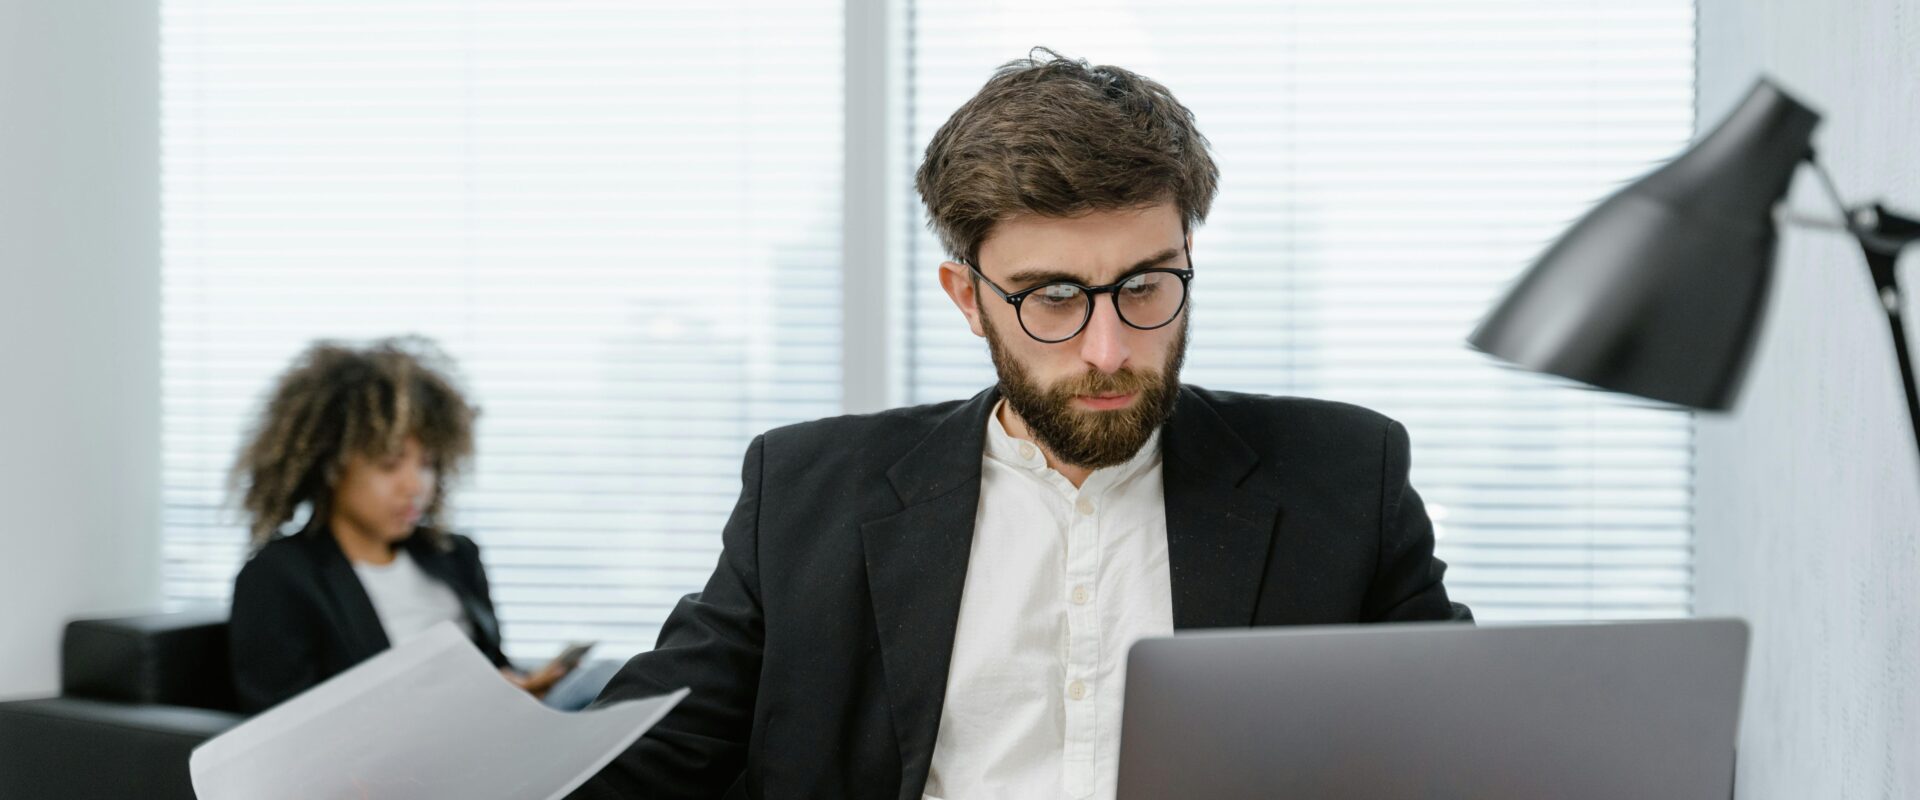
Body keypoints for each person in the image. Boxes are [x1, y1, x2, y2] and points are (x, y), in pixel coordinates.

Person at [571, 50, 1470, 800]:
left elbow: (1475, 749)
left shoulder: (1347, 477)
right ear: (969, 298)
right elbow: (626, 765)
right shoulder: (807, 494)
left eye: (1146, 286)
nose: (1109, 349)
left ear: (1188, 258)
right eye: (1053, 298)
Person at [226, 336, 608, 714]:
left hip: (491, 733)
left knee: (608, 678)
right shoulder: (279, 577)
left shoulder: (455, 555)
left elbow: (492, 667)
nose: (415, 486)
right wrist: (453, 703)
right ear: (331, 466)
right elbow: (282, 731)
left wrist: (519, 685)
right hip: (390, 765)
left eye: (426, 464)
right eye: (390, 464)